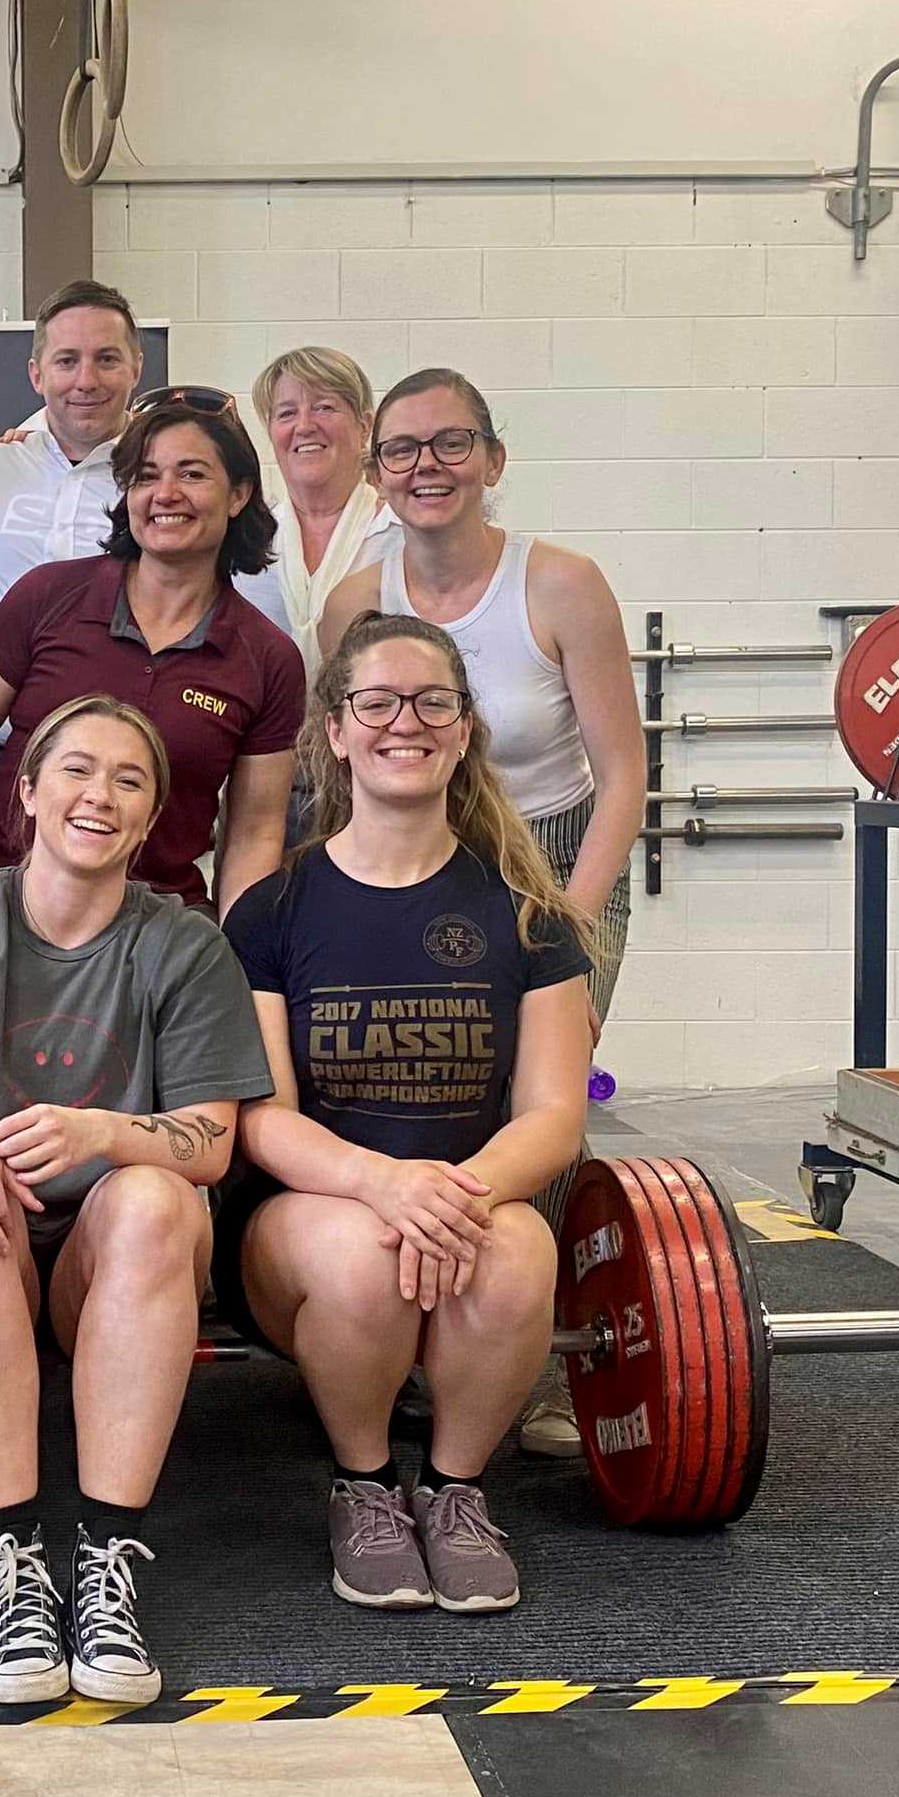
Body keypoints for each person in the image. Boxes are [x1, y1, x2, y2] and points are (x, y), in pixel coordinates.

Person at [0, 695, 272, 1704]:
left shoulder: (181, 946)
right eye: (75, 770)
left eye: (128, 781)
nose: (98, 794)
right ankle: (14, 1569)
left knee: (151, 1196)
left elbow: (212, 1142)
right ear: (25, 793)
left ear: (147, 823)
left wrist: (100, 1131)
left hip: (109, 1253)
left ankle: (105, 1564)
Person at [220, 610, 593, 1615]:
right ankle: (367, 1483)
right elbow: (260, 1119)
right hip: (308, 1215)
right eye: (374, 702)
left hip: (469, 1202)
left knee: (520, 1255)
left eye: (432, 701)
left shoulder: (526, 908)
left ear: (464, 726)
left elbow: (554, 1114)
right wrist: (385, 1185)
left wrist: (449, 1195)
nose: (405, 722)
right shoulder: (269, 911)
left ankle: (457, 1490)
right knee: (358, 1254)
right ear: (333, 731)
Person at [318, 366, 643, 1457]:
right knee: (417, 1073)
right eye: (402, 450)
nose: (426, 468)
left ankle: (531, 1358)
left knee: (540, 1101)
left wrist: (568, 937)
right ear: (376, 475)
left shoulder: (560, 583)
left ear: (492, 460)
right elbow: (339, 766)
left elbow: (621, 777)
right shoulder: (355, 602)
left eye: (450, 444)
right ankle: (406, 1333)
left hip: (551, 861)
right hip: (414, 851)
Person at [0, 397, 303, 916]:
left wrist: (235, 952)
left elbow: (255, 831)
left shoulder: (267, 656)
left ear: (239, 494)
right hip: (8, 908)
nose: (165, 494)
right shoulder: (47, 595)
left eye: (192, 474)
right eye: (146, 476)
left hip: (160, 935)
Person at [0, 280, 145, 697]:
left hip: (118, 746)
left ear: (136, 369)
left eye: (106, 359)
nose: (86, 380)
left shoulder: (161, 484)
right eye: (67, 361)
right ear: (37, 374)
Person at [244, 346, 397, 676]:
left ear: (364, 426)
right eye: (286, 413)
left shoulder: (403, 538)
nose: (304, 426)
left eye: (324, 407)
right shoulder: (248, 541)